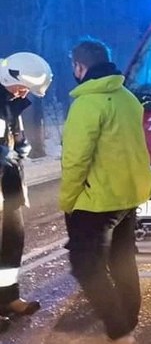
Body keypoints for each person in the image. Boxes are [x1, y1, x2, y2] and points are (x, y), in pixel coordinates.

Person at [61, 39, 151, 344]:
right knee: (122, 261)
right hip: (127, 196)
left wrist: (68, 200)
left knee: (85, 265)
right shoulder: (127, 97)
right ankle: (128, 321)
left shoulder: (87, 104)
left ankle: (119, 331)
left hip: (97, 202)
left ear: (80, 66)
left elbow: (76, 159)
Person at [0, 52, 52, 332]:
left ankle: (7, 298)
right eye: (21, 87)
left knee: (12, 242)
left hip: (8, 187)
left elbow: (13, 141)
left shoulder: (10, 103)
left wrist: (19, 150)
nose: (23, 93)